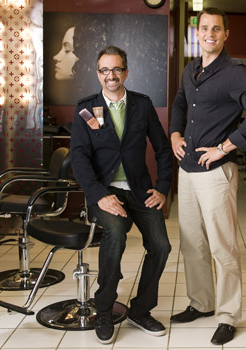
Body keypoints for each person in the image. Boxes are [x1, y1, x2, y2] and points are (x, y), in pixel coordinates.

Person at [169, 7, 246, 346]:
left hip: (215, 172)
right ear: (197, 34)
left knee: (222, 247)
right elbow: (180, 103)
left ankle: (228, 315)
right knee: (193, 244)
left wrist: (226, 147)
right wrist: (174, 135)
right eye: (204, 28)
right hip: (187, 170)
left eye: (216, 29)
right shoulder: (191, 69)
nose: (209, 34)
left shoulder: (234, 72)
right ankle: (201, 302)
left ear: (226, 34)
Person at [71, 45, 173, 344]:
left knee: (162, 245)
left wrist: (163, 188)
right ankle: (103, 309)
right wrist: (99, 195)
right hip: (104, 192)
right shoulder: (86, 108)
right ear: (98, 73)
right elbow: (79, 157)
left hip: (140, 190)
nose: (111, 75)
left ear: (126, 72)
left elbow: (164, 150)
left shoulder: (142, 105)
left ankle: (140, 310)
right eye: (105, 70)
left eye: (116, 69)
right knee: (116, 235)